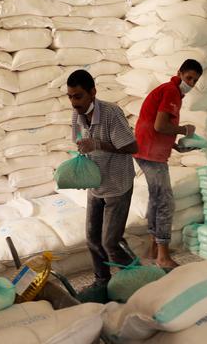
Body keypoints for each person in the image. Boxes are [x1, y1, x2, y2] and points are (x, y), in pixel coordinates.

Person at [67, 69, 139, 289]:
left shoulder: (111, 113)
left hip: (117, 185)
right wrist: (79, 172)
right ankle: (102, 281)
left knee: (110, 242)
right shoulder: (77, 115)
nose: (73, 102)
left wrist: (97, 144)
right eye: (70, 96)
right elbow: (80, 144)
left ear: (93, 92)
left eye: (78, 96)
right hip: (95, 184)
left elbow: (132, 146)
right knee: (92, 240)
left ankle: (138, 278)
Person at [134, 59, 203, 269]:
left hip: (146, 149)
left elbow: (159, 127)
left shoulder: (171, 91)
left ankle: (154, 248)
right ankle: (162, 256)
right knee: (165, 202)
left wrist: (174, 146)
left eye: (194, 81)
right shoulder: (171, 91)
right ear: (179, 73)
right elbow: (160, 124)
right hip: (149, 153)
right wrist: (185, 131)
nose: (190, 83)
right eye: (188, 77)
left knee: (156, 199)